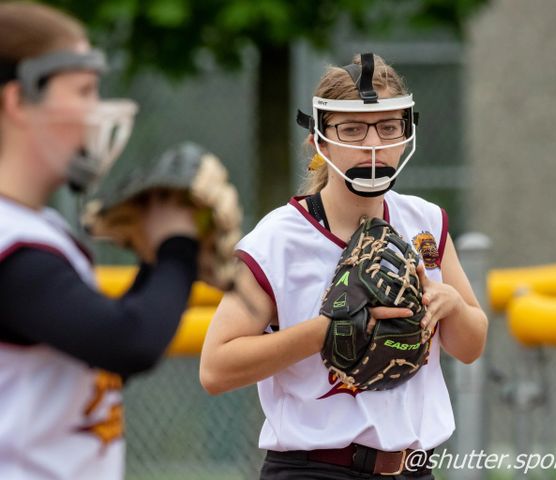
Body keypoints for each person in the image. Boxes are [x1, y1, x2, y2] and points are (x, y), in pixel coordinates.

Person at [200, 53, 488, 479]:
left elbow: (471, 347)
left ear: (406, 133)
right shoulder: (278, 239)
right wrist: (328, 330)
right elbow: (215, 369)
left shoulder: (425, 222)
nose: (372, 144)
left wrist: (454, 307)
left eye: (388, 127)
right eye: (352, 129)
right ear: (320, 141)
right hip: (315, 469)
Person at [0, 3, 200, 479]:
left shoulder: (35, 226)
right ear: (19, 101)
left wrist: (157, 262)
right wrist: (178, 247)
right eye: (84, 90)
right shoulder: (13, 242)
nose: (97, 109)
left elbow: (96, 353)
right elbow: (128, 342)